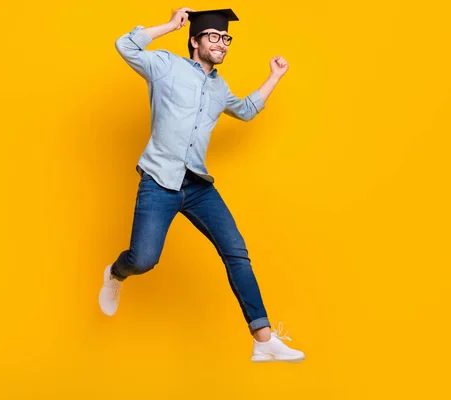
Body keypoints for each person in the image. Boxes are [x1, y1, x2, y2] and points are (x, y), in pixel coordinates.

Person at [99, 7, 305, 363]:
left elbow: (245, 110)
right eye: (214, 37)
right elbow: (125, 45)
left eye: (226, 39)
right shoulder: (165, 66)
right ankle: (116, 273)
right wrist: (169, 24)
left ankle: (263, 338)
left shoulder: (219, 87)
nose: (222, 43)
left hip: (196, 185)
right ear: (194, 40)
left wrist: (275, 77)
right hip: (159, 181)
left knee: (236, 251)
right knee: (144, 260)